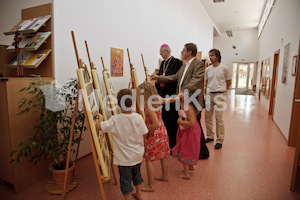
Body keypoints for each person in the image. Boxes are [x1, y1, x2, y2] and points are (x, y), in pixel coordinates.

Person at [151, 43, 209, 159]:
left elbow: (196, 80)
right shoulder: (184, 65)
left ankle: (203, 152)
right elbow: (174, 77)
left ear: (190, 52)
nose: (182, 52)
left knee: (195, 126)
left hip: (193, 100)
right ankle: (187, 150)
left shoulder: (198, 64)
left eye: (184, 50)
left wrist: (184, 91)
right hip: (183, 100)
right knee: (187, 128)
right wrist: (159, 78)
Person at [95, 89, 148, 200]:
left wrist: (100, 117)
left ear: (118, 104)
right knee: (137, 175)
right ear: (133, 103)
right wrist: (141, 146)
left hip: (124, 159)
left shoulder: (115, 120)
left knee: (125, 180)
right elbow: (145, 134)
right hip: (137, 155)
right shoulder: (138, 117)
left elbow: (99, 127)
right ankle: (139, 194)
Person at [136, 82, 172, 192]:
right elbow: (169, 101)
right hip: (162, 131)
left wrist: (147, 134)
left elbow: (154, 123)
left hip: (154, 133)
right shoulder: (157, 100)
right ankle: (164, 176)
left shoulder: (148, 107)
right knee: (163, 155)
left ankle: (151, 185)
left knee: (148, 159)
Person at [156, 44, 182, 149]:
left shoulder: (177, 62)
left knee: (172, 118)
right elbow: (160, 75)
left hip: (172, 94)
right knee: (165, 118)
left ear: (167, 51)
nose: (160, 54)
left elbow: (176, 78)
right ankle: (166, 140)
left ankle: (173, 142)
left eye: (161, 52)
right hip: (163, 93)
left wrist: (162, 78)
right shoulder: (163, 63)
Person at [204, 49, 231, 149]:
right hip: (209, 94)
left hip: (220, 94)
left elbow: (229, 81)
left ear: (218, 56)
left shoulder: (224, 68)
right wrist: (206, 93)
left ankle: (220, 140)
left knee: (219, 118)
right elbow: (206, 82)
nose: (210, 57)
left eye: (212, 55)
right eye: (209, 55)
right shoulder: (208, 69)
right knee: (207, 117)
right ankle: (210, 135)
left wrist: (223, 91)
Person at [172, 88, 201, 179]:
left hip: (190, 132)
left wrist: (180, 122)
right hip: (190, 131)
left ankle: (186, 173)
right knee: (190, 148)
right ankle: (190, 167)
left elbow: (191, 123)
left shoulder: (189, 108)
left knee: (185, 149)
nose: (181, 94)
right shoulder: (189, 105)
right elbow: (182, 108)